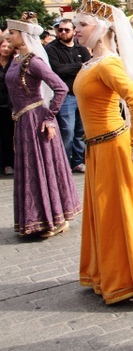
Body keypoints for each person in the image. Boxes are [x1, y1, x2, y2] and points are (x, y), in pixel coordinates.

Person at [72, 0, 133, 303]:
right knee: (107, 214)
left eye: (82, 25)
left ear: (102, 29)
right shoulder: (91, 63)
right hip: (98, 149)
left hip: (115, 149)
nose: (76, 31)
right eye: (75, 25)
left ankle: (129, 277)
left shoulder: (108, 63)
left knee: (118, 214)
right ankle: (110, 271)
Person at [5, 12, 81, 238]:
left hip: (36, 121)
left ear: (24, 36)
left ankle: (52, 219)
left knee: (41, 168)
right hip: (22, 120)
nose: (9, 37)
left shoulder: (34, 61)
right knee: (30, 170)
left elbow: (60, 87)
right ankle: (36, 218)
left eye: (13, 33)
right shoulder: (17, 59)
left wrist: (50, 116)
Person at [45, 17, 90, 173]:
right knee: (67, 131)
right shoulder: (52, 48)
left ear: (73, 31)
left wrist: (74, 67)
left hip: (82, 95)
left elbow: (89, 67)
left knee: (81, 130)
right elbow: (57, 69)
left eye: (66, 30)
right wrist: (79, 66)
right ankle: (63, 162)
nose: (62, 32)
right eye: (60, 29)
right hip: (65, 96)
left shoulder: (81, 49)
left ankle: (78, 161)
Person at [0, 34, 15, 175]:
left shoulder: (14, 63)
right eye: (3, 46)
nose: (5, 49)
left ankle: (8, 164)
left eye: (9, 47)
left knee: (8, 137)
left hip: (8, 105)